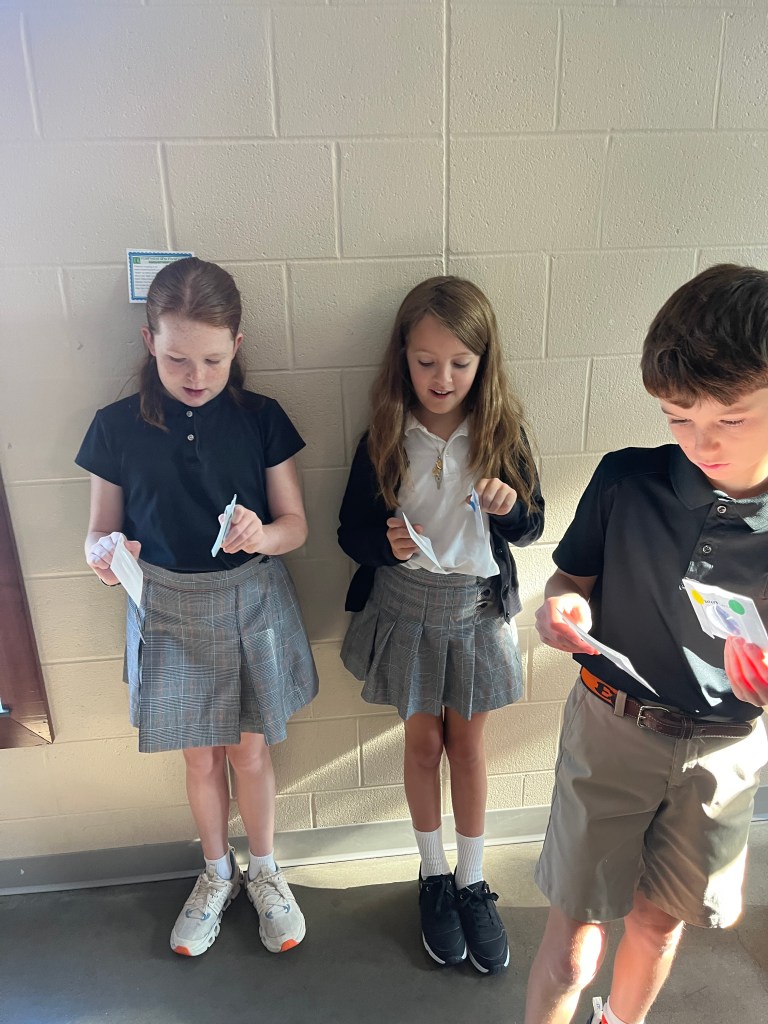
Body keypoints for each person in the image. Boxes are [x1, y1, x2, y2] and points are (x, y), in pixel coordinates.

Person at [525, 263, 768, 1024]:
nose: (701, 442)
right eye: (676, 418)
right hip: (613, 726)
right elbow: (570, 579)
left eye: (731, 419)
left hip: (725, 749)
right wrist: (560, 609)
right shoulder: (627, 483)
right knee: (573, 946)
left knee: (660, 924)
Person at [75, 257, 318, 957]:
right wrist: (104, 552)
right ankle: (217, 873)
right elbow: (96, 532)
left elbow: (295, 526)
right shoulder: (115, 426)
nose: (195, 375)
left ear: (237, 346)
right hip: (165, 607)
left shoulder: (261, 418)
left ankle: (265, 871)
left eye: (213, 359)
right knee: (199, 758)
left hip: (249, 600)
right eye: (176, 357)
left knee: (249, 752)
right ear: (148, 340)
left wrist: (262, 534)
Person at [338, 276, 544, 975]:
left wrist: (511, 507)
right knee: (422, 743)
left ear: (484, 361)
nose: (442, 377)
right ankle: (432, 874)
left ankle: (472, 879)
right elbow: (349, 530)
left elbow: (533, 525)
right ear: (403, 356)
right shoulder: (386, 434)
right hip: (406, 606)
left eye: (460, 362)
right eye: (426, 361)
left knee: (469, 746)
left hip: (475, 611)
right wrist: (383, 543)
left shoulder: (502, 433)